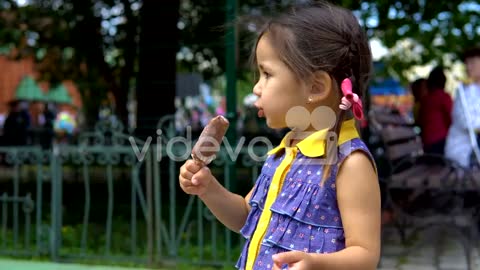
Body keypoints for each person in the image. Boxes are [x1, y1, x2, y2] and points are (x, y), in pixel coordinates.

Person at [179, 3, 380, 270]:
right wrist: (209, 189)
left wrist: (316, 264)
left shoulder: (349, 163)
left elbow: (365, 255)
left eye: (267, 74)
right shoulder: (284, 153)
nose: (256, 88)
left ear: (316, 86)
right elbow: (245, 216)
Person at [445, 47, 480, 168]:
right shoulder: (463, 91)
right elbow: (467, 122)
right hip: (465, 154)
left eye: (472, 62)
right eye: (466, 63)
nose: (468, 67)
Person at [418, 66, 453, 155]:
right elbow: (451, 118)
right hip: (440, 142)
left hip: (427, 143)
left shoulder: (425, 99)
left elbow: (421, 120)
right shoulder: (443, 97)